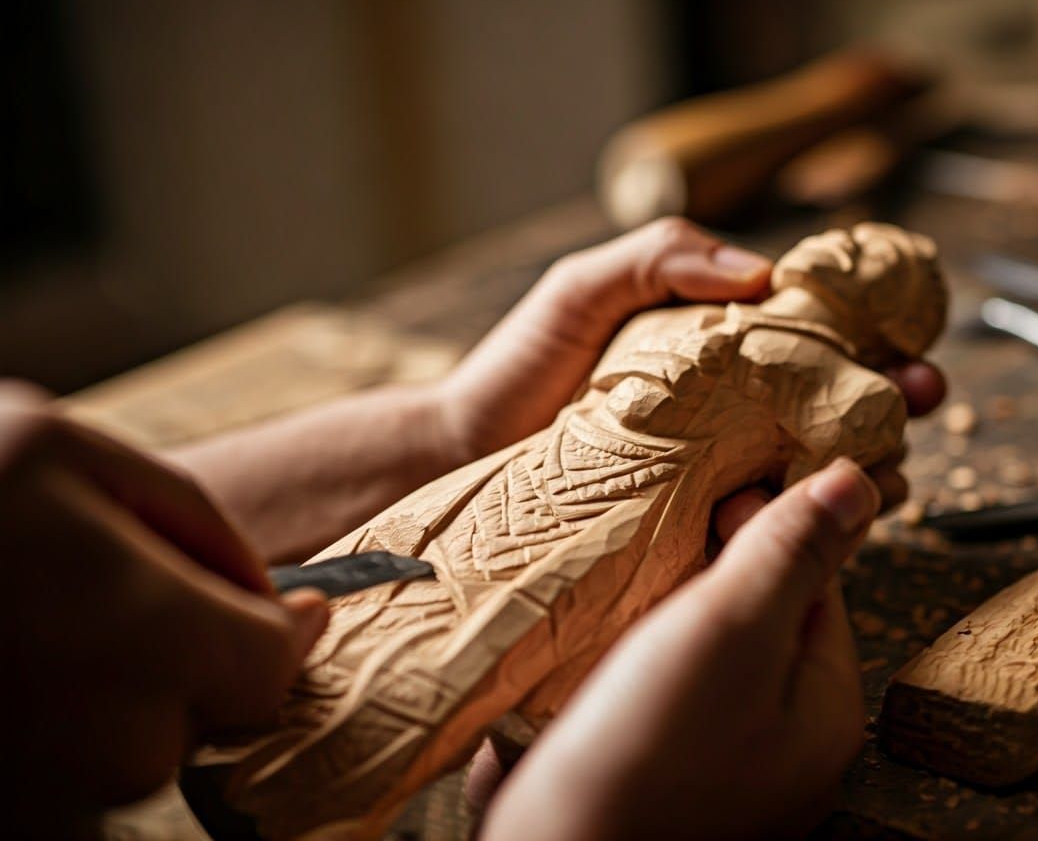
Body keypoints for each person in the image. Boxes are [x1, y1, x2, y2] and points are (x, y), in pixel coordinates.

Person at [1, 218, 945, 839]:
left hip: (622, 515)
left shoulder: (847, 382)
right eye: (861, 236)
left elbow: (850, 439)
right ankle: (276, 753)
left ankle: (308, 777)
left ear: (888, 329)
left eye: (887, 264)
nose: (858, 246)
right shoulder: (693, 312)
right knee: (398, 582)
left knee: (494, 634)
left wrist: (446, 422)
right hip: (515, 475)